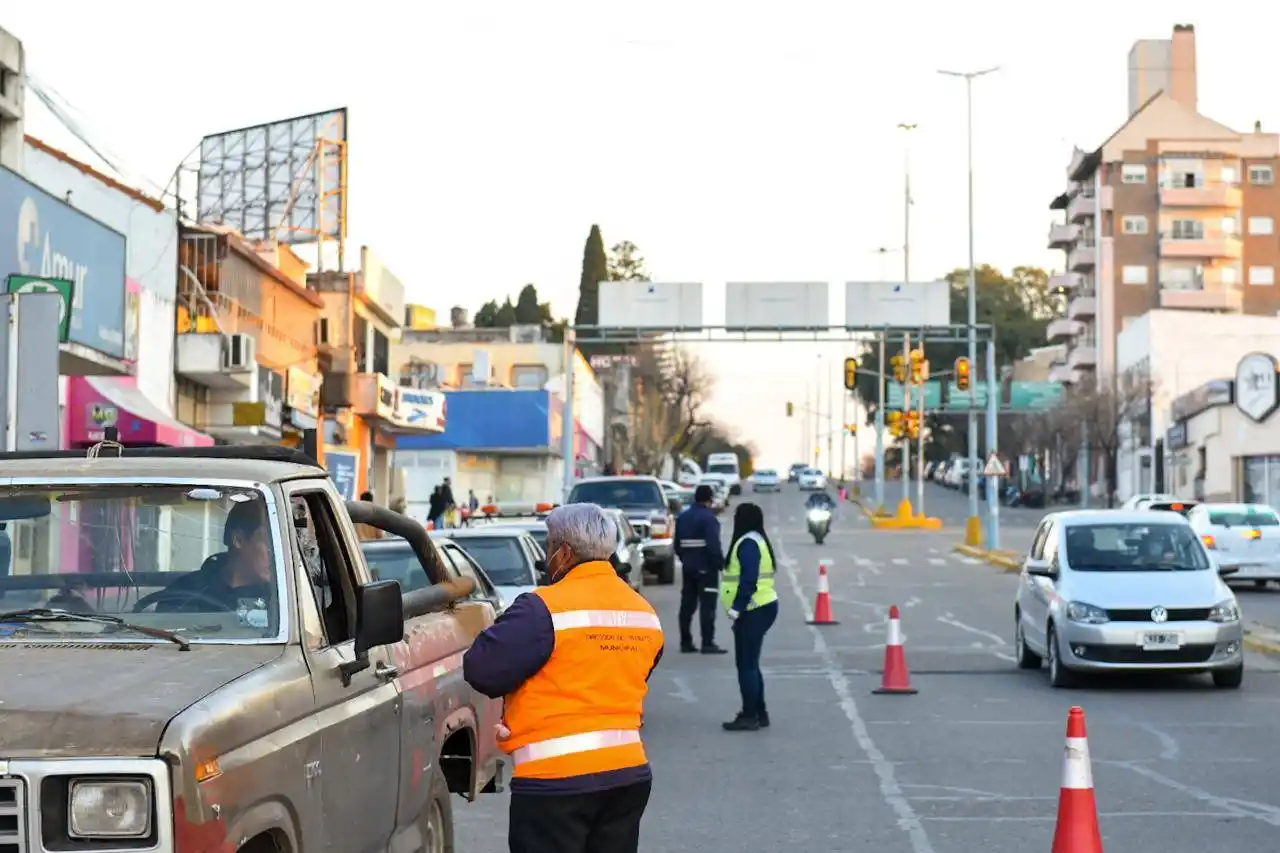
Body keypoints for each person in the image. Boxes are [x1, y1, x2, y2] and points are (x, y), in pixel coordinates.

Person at [463, 503, 664, 853]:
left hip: (556, 783)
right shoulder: (642, 611)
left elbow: (482, 669)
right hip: (627, 775)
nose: (547, 556)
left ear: (564, 552)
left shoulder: (542, 608)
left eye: (549, 547)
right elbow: (618, 675)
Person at [153, 498, 275, 612]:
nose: (276, 556)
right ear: (238, 540)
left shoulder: (281, 599)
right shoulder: (185, 593)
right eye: (269, 544)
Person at [719, 502, 779, 732]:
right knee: (750, 664)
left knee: (746, 665)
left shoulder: (748, 544)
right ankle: (759, 712)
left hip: (753, 609)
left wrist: (737, 608)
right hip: (760, 607)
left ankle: (750, 715)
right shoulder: (756, 540)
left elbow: (749, 579)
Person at [674, 484, 727, 654]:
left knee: (687, 606)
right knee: (707, 606)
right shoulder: (709, 519)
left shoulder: (682, 517)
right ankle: (707, 642)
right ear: (709, 499)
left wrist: (686, 559)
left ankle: (685, 641)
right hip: (707, 568)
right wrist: (720, 564)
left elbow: (677, 545)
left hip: (689, 567)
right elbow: (713, 545)